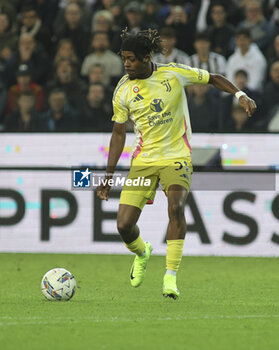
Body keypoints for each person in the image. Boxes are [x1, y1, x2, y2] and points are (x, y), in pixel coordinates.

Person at [97, 29, 257, 299]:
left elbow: (213, 78)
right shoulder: (123, 89)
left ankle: (170, 276)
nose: (126, 64)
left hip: (176, 156)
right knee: (124, 226)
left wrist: (239, 94)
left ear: (146, 58)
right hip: (144, 161)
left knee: (176, 207)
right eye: (124, 58)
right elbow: (118, 132)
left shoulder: (173, 73)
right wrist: (109, 174)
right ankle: (142, 251)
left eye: (131, 59)